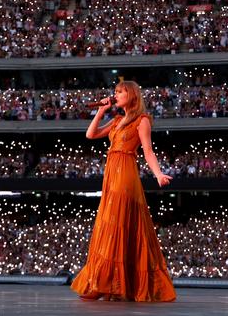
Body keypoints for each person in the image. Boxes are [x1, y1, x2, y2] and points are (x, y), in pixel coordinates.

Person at [70, 80, 177, 302]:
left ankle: (113, 283)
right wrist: (100, 111)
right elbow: (91, 134)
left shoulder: (142, 120)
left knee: (116, 223)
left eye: (120, 92)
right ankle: (110, 282)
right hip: (111, 173)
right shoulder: (117, 120)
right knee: (112, 224)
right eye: (115, 92)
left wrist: (158, 174)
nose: (116, 95)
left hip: (126, 173)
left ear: (133, 95)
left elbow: (148, 151)